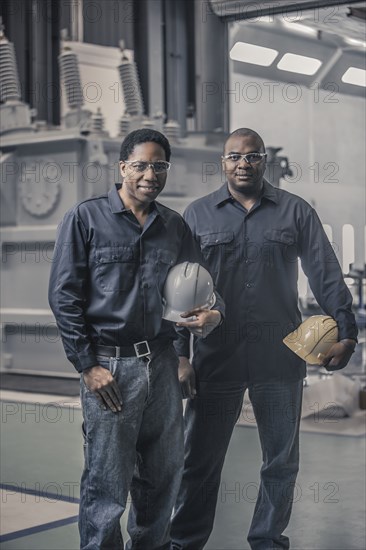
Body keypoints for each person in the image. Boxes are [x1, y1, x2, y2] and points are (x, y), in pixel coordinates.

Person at [171, 128, 358, 550]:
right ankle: (184, 542)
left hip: (280, 354)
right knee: (198, 460)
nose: (243, 164)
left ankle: (268, 540)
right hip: (217, 356)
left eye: (252, 156)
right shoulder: (198, 215)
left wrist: (347, 331)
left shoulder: (295, 212)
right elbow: (182, 290)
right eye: (234, 156)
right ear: (222, 162)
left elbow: (324, 273)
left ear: (263, 162)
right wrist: (180, 356)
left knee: (280, 461)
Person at [48, 128, 223, 550]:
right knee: (107, 484)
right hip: (110, 368)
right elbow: (64, 296)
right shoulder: (85, 219)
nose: (150, 174)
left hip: (161, 364)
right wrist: (88, 366)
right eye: (141, 165)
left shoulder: (174, 226)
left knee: (162, 478)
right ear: (123, 167)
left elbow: (197, 290)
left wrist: (208, 319)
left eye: (159, 165)